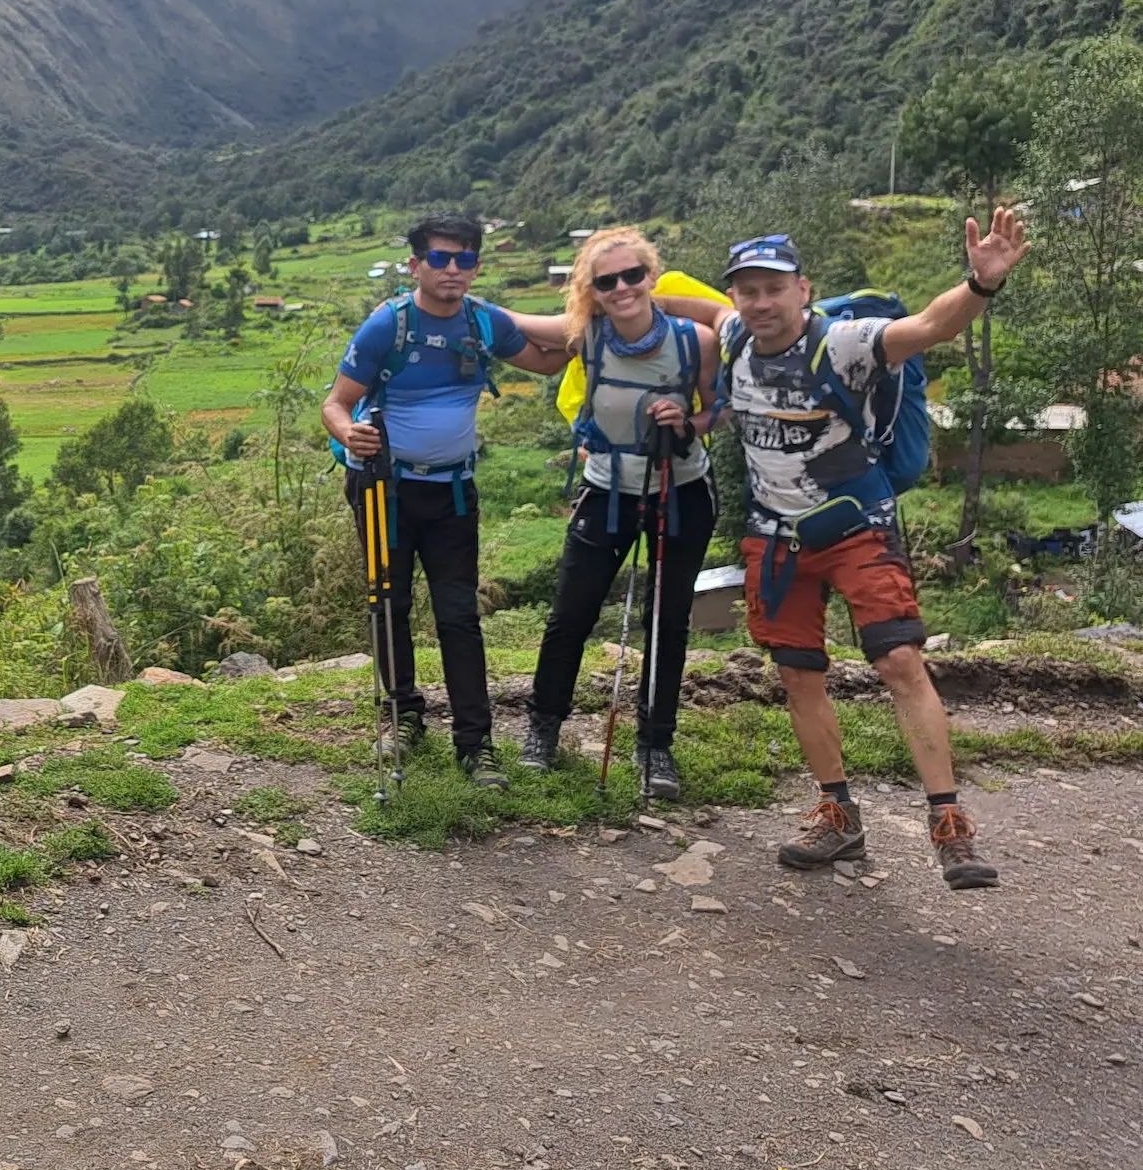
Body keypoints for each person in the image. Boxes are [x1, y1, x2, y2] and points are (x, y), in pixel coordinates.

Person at [659, 216, 1030, 888]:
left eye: (774, 288)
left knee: (900, 660)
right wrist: (619, 293)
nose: (761, 302)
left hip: (858, 528)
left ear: (803, 290)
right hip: (775, 541)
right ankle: (838, 815)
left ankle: (950, 824)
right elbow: (696, 307)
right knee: (798, 675)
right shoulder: (735, 333)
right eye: (748, 290)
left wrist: (981, 284)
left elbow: (931, 327)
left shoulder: (847, 343)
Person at [320, 210, 568, 786]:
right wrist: (348, 433)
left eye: (464, 259)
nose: (451, 268)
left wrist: (597, 330)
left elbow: (545, 361)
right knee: (389, 604)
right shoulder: (387, 326)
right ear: (415, 265)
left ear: (475, 267)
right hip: (383, 489)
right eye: (439, 257)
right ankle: (402, 715)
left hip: (453, 490)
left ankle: (475, 743)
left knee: (459, 616)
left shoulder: (483, 323)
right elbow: (335, 403)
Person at [518, 227, 720, 799]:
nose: (622, 287)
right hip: (607, 490)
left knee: (668, 620)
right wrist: (457, 304)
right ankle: (543, 729)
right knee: (570, 615)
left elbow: (719, 409)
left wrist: (687, 424)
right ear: (593, 291)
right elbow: (514, 326)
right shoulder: (586, 336)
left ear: (651, 276)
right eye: (607, 281)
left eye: (633, 275)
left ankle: (656, 745)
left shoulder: (697, 341)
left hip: (681, 487)